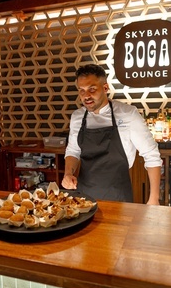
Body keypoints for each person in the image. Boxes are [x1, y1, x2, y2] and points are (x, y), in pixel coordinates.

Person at [62, 64, 162, 204]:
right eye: (81, 91)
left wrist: (153, 198)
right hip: (84, 197)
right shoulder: (77, 117)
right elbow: (73, 150)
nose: (86, 96)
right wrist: (68, 173)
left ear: (105, 88)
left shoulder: (128, 114)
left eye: (92, 89)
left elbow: (152, 155)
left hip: (119, 196)